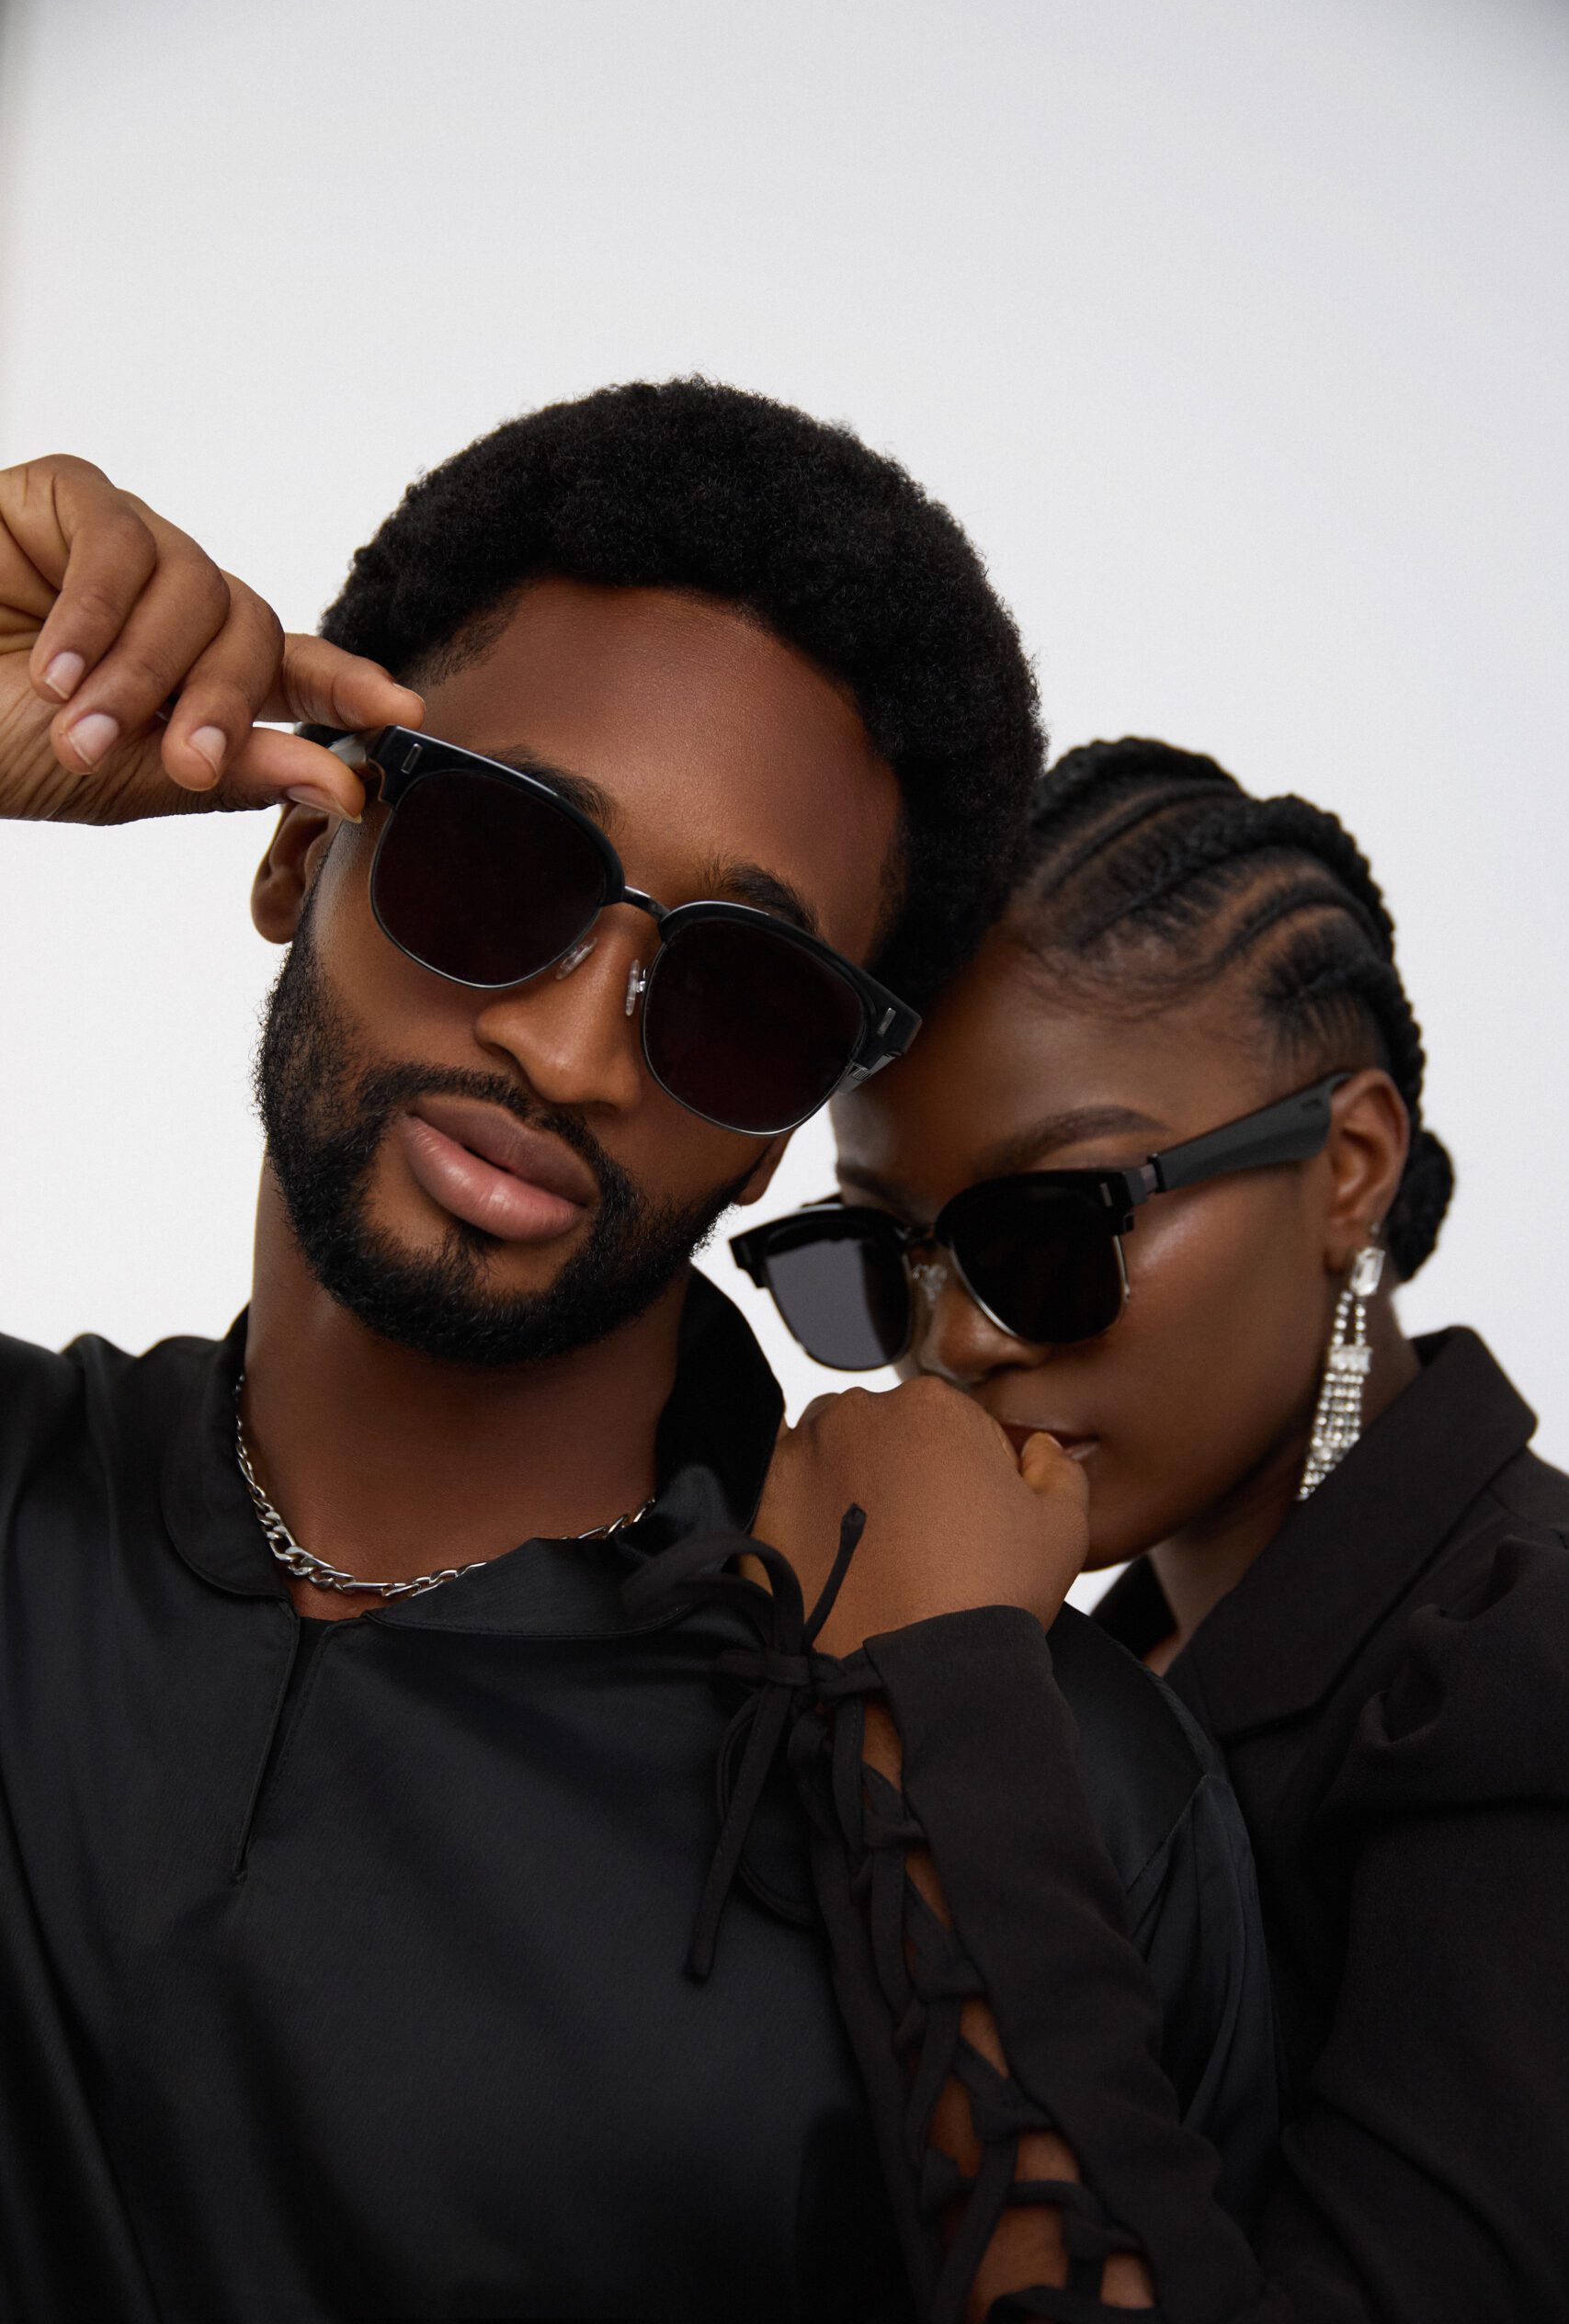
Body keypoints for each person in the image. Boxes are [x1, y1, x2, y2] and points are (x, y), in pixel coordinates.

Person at [0, 423, 1277, 2324]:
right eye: (499, 860)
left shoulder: (1044, 1785)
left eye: (740, 999)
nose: (575, 1050)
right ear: (301, 839)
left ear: (782, 1133)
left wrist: (939, 1757)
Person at [738, 733, 1569, 2320]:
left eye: (1053, 1232)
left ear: (1348, 1167)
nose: (954, 1343)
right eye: (883, 1258)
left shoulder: (1523, 1677)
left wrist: (938, 1690)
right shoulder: (1112, 1655)